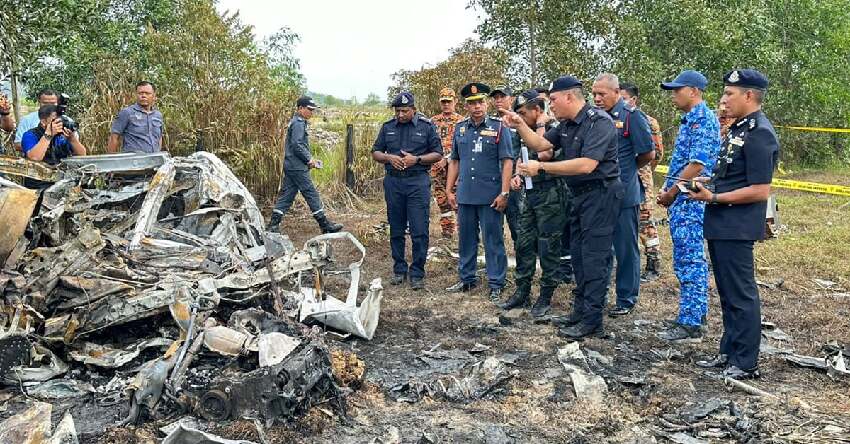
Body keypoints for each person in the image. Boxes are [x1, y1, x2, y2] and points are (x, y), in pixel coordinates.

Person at [505, 75, 621, 339]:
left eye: (553, 100)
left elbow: (586, 164)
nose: (550, 106)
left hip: (601, 195)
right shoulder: (566, 124)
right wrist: (520, 123)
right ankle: (579, 313)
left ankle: (593, 321)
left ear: (569, 97)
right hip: (578, 195)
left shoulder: (598, 122)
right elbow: (541, 144)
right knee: (578, 256)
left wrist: (542, 167)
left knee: (594, 258)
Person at [688, 69, 778, 380]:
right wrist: (707, 183)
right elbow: (730, 176)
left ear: (749, 96)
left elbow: (759, 189)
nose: (724, 99)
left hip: (737, 226)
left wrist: (713, 196)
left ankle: (746, 362)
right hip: (721, 222)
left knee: (741, 294)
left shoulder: (760, 133)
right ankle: (729, 352)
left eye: (729, 94)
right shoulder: (738, 129)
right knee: (727, 293)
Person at [656, 70, 721, 342]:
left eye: (677, 89)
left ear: (694, 91)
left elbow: (697, 165)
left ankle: (692, 323)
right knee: (685, 259)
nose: (674, 95)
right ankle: (692, 315)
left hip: (690, 200)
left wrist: (671, 192)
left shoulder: (703, 120)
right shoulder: (690, 121)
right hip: (682, 199)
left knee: (690, 260)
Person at [591, 74, 655, 317]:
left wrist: (625, 172)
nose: (597, 98)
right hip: (599, 192)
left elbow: (647, 154)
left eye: (602, 94)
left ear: (616, 92)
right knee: (601, 247)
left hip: (625, 193)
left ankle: (626, 298)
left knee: (626, 247)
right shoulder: (594, 116)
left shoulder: (631, 117)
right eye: (594, 94)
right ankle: (600, 291)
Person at [498, 90, 564, 318]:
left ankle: (545, 295)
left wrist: (539, 126)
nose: (520, 117)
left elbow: (544, 153)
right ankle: (522, 290)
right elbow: (522, 154)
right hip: (530, 193)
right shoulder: (523, 130)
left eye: (524, 112)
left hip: (552, 194)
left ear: (537, 110)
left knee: (548, 246)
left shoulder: (555, 126)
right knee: (523, 242)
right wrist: (517, 173)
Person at [445, 82, 513, 301]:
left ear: (487, 103)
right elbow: (454, 161)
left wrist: (504, 193)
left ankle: (496, 282)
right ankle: (467, 278)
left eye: (481, 102)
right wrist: (449, 190)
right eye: (472, 103)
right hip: (465, 193)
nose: (477, 107)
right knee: (466, 238)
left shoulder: (499, 127)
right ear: (466, 106)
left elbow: (507, 162)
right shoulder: (460, 128)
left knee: (492, 239)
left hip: (490, 194)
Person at [372, 92, 443, 289]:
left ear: (414, 110)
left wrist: (417, 159)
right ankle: (399, 269)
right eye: (397, 111)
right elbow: (376, 151)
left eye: (404, 111)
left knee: (419, 229)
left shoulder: (426, 127)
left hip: (417, 183)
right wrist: (389, 158)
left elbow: (438, 154)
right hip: (394, 183)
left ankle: (418, 272)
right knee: (396, 228)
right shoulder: (388, 127)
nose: (400, 115)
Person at [268, 96, 343, 235]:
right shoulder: (298, 123)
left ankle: (273, 225)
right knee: (311, 193)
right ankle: (324, 225)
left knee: (287, 195)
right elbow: (297, 144)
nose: (311, 113)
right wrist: (309, 159)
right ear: (300, 108)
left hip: (292, 165)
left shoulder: (297, 122)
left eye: (313, 110)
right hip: (297, 167)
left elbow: (297, 144)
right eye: (309, 109)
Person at [620, 82, 665, 282]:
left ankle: (653, 262)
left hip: (641, 178)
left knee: (646, 223)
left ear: (633, 99)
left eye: (622, 97)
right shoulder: (613, 118)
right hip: (621, 179)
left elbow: (657, 155)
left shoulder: (648, 121)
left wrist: (643, 169)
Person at [20, 105, 87, 189]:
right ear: (43, 121)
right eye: (56, 121)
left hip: (61, 182)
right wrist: (48, 135)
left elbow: (82, 154)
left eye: (61, 120)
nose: (59, 124)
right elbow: (34, 157)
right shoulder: (30, 135)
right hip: (38, 185)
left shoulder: (61, 136)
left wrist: (72, 139)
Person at [430, 87, 464, 238]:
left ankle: (464, 234)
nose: (446, 105)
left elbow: (464, 146)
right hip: (436, 168)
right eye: (443, 102)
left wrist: (447, 159)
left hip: (456, 167)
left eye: (448, 102)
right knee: (442, 201)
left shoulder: (462, 122)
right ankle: (447, 233)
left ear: (455, 102)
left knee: (457, 200)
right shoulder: (433, 122)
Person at [490, 86, 521, 249]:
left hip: (514, 180)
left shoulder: (519, 120)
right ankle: (497, 261)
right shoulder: (489, 123)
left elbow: (525, 150)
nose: (498, 100)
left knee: (517, 222)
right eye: (495, 98)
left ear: (511, 98)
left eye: (502, 96)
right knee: (494, 224)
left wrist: (517, 174)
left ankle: (523, 262)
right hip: (494, 179)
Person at [108, 81, 164, 153]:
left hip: (153, 160)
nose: (143, 96)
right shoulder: (127, 113)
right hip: (133, 161)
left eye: (147, 93)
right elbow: (114, 137)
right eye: (140, 93)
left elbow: (159, 138)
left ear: (154, 96)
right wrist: (112, 161)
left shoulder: (158, 115)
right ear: (136, 95)